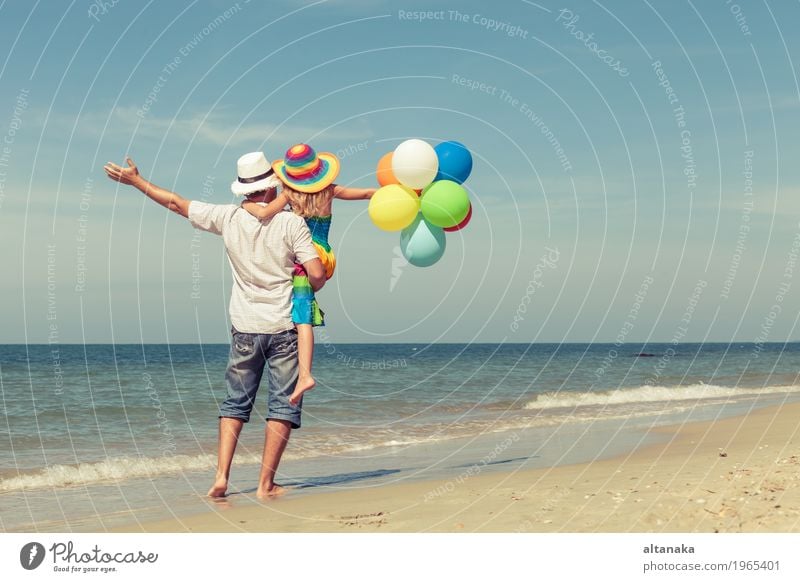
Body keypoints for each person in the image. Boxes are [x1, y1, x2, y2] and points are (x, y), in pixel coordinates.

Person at [103, 152, 325, 499]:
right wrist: (314, 280)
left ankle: (221, 477)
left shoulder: (227, 217)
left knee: (235, 403)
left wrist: (136, 182)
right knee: (282, 406)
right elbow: (315, 273)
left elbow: (176, 203)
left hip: (244, 327)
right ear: (272, 186)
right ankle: (265, 485)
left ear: (245, 189)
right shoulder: (291, 223)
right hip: (284, 326)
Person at [241, 143, 375, 405]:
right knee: (299, 308)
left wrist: (247, 204)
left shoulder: (290, 194)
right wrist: (407, 192)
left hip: (305, 258)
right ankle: (298, 368)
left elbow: (265, 213)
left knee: (302, 316)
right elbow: (369, 193)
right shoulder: (330, 190)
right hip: (323, 255)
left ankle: (304, 375)